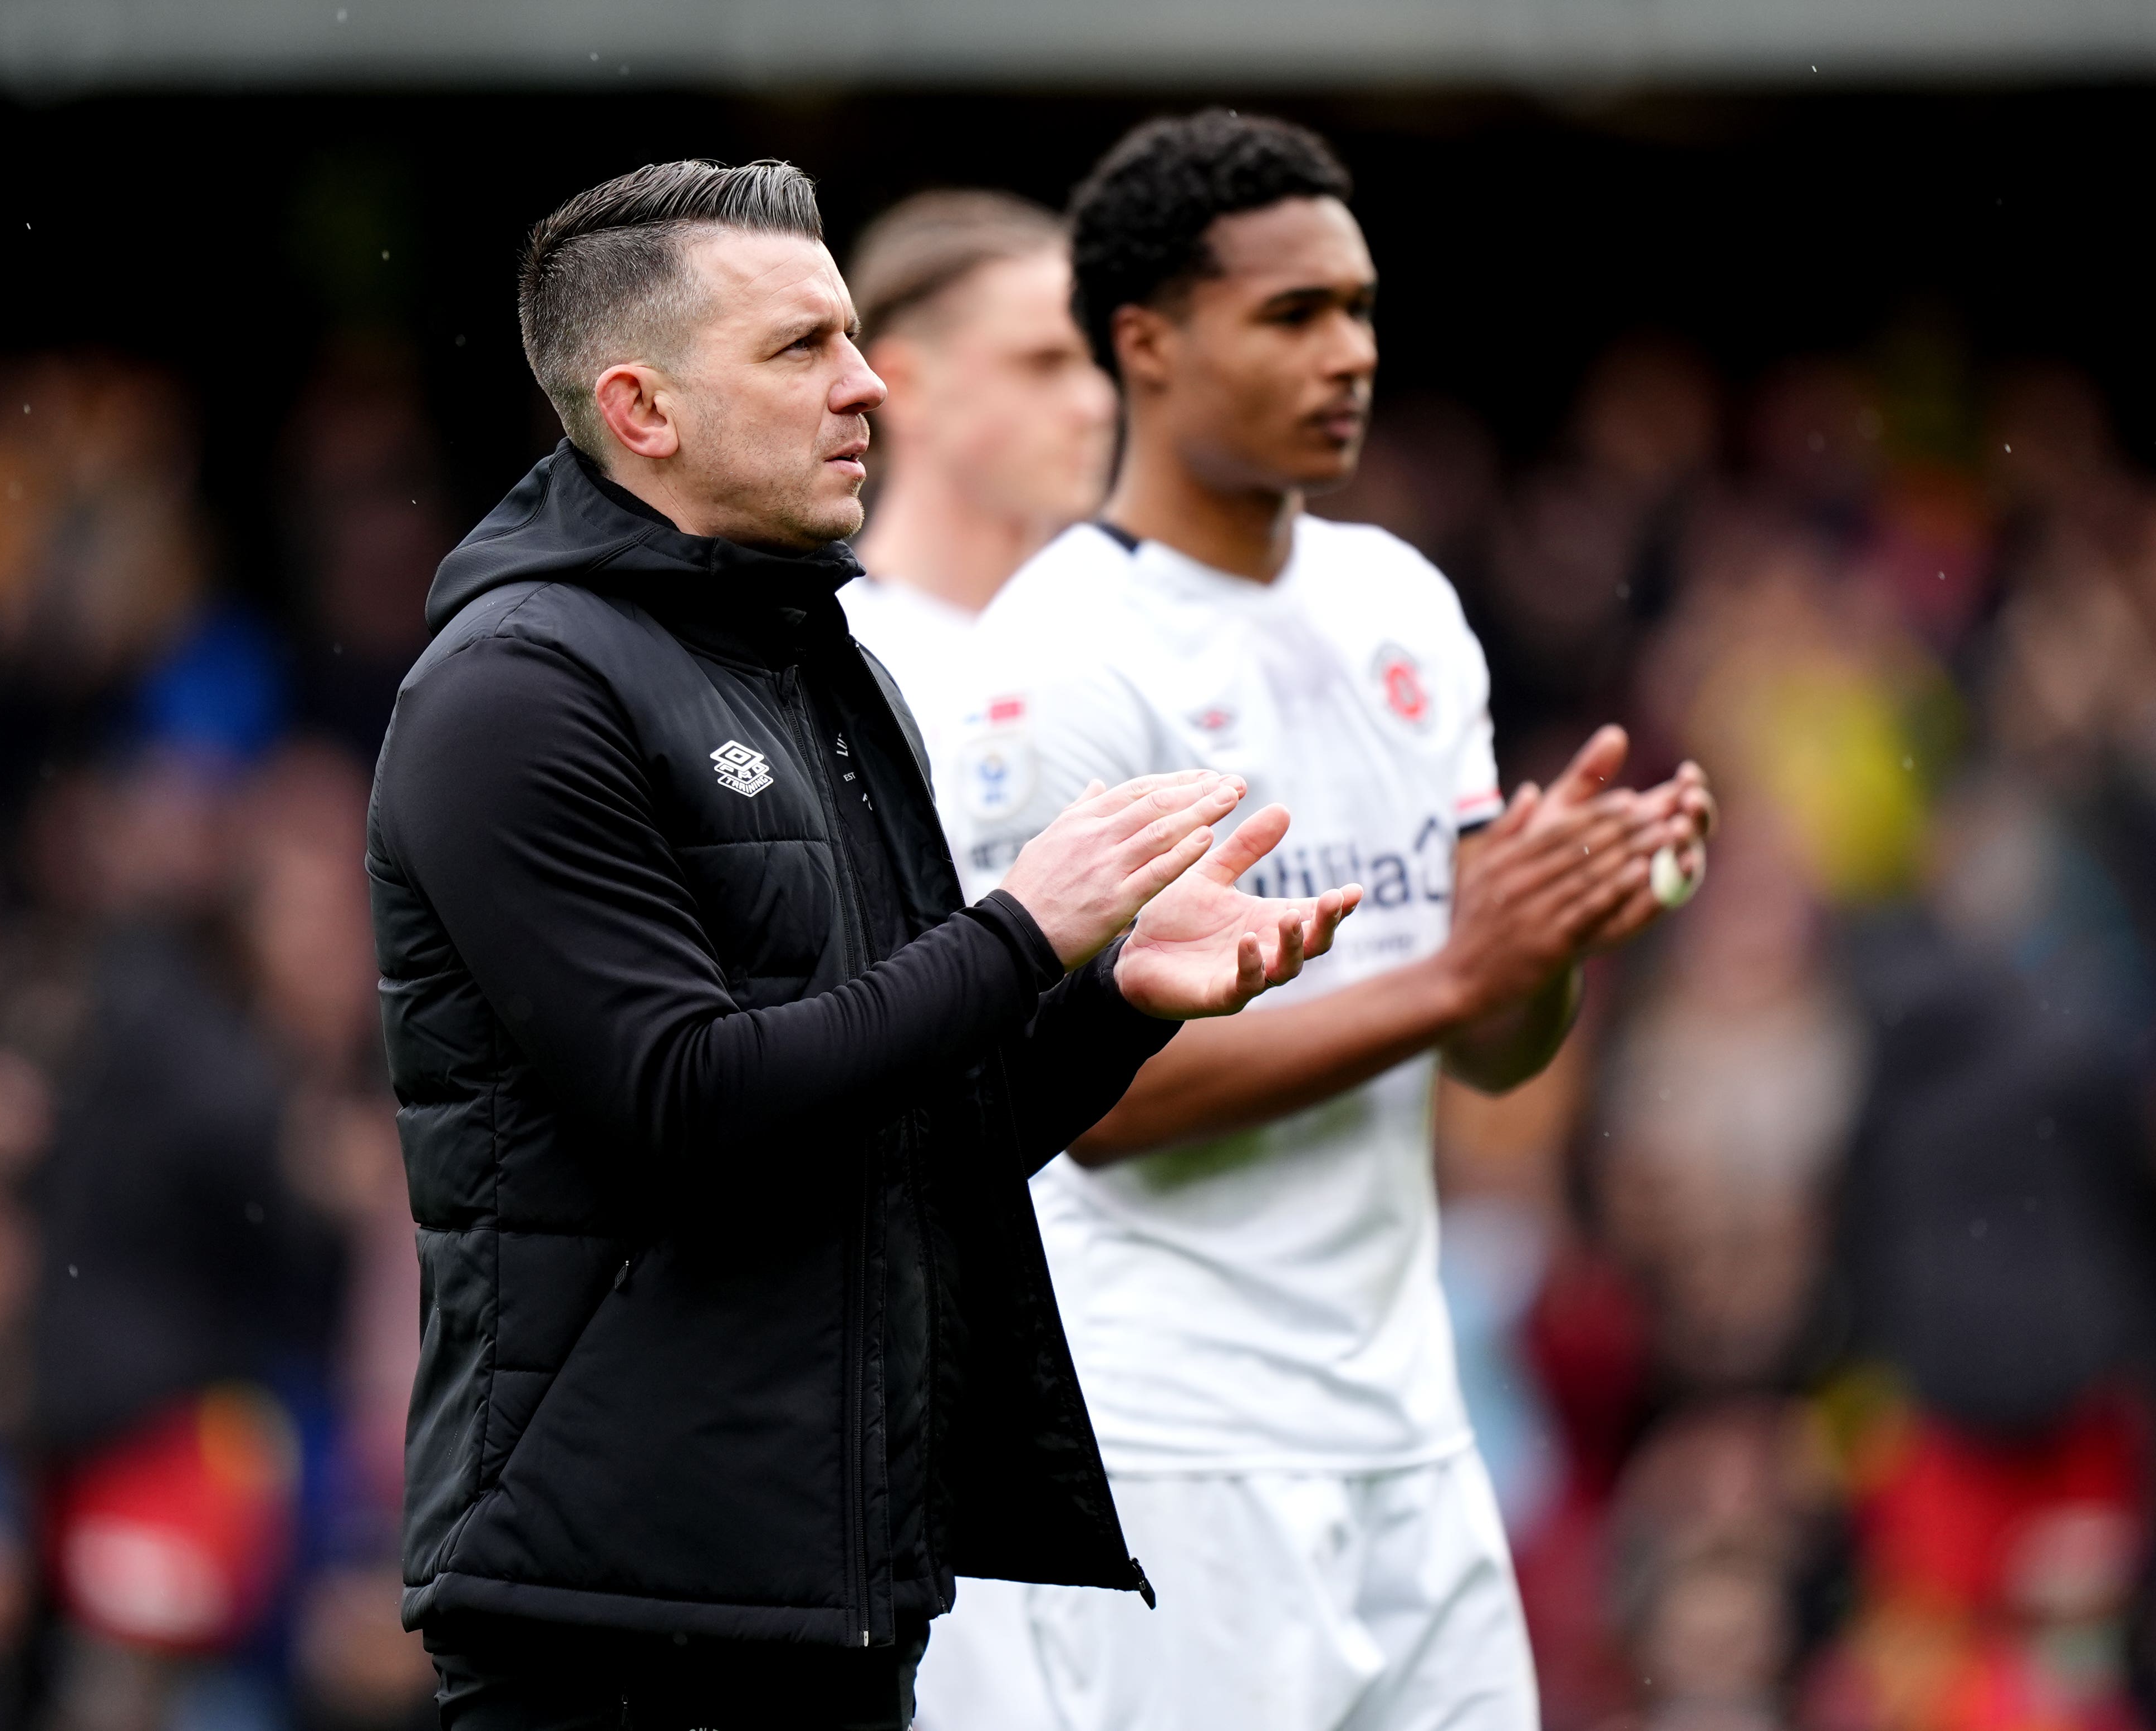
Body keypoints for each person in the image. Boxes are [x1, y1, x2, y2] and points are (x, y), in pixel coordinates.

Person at [364, 157, 1368, 1730]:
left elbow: (912, 1133)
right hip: (612, 1622)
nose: (864, 386)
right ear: (642, 408)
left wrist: (1114, 1000)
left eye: (852, 336)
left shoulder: (819, 668)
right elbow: (687, 1102)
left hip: (835, 1596)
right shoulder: (512, 692)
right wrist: (1026, 929)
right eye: (802, 349)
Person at [917, 111, 1717, 1731]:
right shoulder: (1057, 655)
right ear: (1143, 343)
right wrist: (1454, 978)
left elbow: (1492, 1051)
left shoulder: (1397, 602)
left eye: (1356, 306)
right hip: (1178, 1436)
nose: (1346, 352)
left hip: (1410, 1415)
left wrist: (1549, 931)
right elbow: (1091, 1106)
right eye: (1291, 315)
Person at [838, 190, 1117, 768]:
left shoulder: (1144, 638)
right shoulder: (823, 661)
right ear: (904, 383)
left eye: (1098, 363)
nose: (1096, 404)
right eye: (1043, 363)